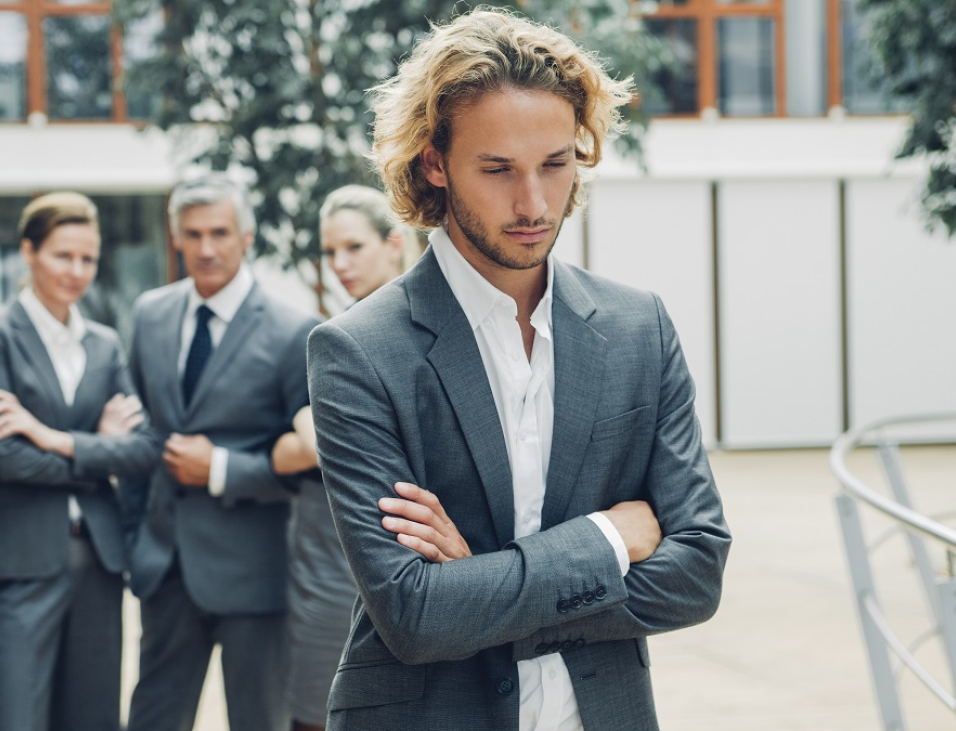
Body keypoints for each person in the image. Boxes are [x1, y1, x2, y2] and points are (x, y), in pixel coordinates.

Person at [305, 9, 732, 731]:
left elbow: (697, 573)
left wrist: (483, 582)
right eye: (498, 169)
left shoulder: (639, 327)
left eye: (555, 164)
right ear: (434, 162)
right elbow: (413, 614)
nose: (534, 204)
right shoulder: (357, 351)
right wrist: (606, 541)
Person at [124, 173, 320, 731]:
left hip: (256, 572)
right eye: (193, 234)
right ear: (176, 239)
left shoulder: (294, 331)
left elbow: (315, 462)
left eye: (219, 233)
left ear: (246, 237)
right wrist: (136, 541)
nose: (206, 248)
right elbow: (141, 439)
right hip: (166, 567)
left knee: (259, 721)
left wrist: (221, 471)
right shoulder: (150, 315)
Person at [0, 192, 159, 731]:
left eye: (87, 258)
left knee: (94, 718)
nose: (76, 271)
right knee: (18, 718)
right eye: (62, 255)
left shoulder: (104, 344)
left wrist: (51, 437)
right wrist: (97, 446)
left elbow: (143, 450)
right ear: (29, 252)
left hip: (97, 557)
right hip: (20, 556)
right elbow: (7, 459)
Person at [271, 184, 412, 731]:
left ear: (393, 243)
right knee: (316, 712)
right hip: (328, 566)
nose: (339, 264)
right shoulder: (323, 339)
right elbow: (295, 447)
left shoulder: (435, 331)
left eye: (353, 247)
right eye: (330, 251)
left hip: (418, 565)